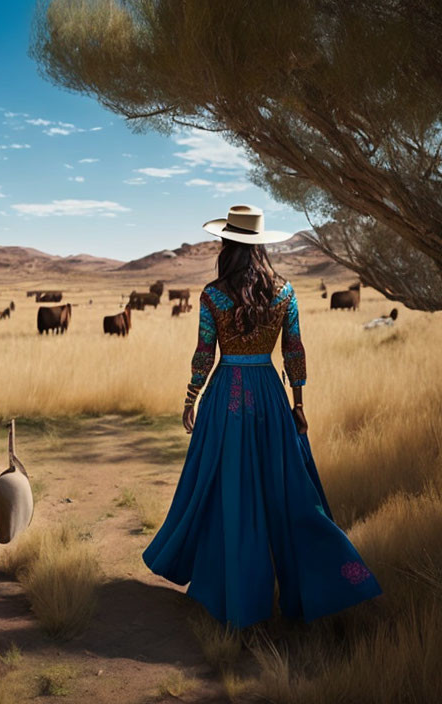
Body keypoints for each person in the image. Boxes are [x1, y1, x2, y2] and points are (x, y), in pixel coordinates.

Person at [143, 205, 381, 628]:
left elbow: (204, 352)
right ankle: (337, 581)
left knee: (226, 492)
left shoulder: (212, 294)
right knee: (288, 493)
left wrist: (191, 396)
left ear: (229, 244)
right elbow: (294, 352)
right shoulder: (285, 292)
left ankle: (233, 596)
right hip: (270, 397)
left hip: (225, 399)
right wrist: (299, 405)